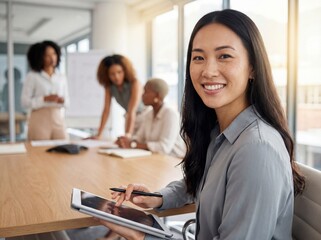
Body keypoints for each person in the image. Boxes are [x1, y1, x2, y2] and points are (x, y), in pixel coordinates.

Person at [98, 9, 305, 240]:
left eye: (224, 56)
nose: (208, 71)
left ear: (253, 67)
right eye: (198, 57)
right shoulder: (221, 132)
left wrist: (144, 235)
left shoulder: (256, 149)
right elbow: (201, 183)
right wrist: (159, 197)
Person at [116, 78, 186, 158]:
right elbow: (139, 137)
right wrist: (126, 140)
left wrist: (133, 144)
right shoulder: (148, 114)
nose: (142, 95)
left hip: (173, 160)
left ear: (157, 95)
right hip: (155, 158)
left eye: (146, 92)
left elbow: (164, 148)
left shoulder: (170, 115)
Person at [21, 40, 69, 140]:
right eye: (47, 55)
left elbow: (67, 102)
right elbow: (25, 102)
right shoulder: (32, 76)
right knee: (38, 152)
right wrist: (45, 99)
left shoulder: (61, 77)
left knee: (64, 148)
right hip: (39, 118)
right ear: (40, 57)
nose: (52, 58)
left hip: (58, 117)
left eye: (54, 54)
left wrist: (62, 101)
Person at [89, 54, 144, 140]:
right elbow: (106, 110)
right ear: (107, 75)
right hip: (129, 117)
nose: (116, 77)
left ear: (125, 71)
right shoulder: (109, 87)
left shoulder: (134, 83)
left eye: (119, 72)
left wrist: (128, 134)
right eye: (112, 74)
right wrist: (99, 134)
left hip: (144, 117)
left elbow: (132, 110)